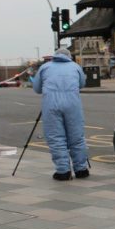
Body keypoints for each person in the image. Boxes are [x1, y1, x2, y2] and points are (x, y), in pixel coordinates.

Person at [32, 47, 89, 181]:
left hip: (51, 105)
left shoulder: (45, 67)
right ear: (69, 56)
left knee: (56, 137)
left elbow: (37, 88)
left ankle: (63, 171)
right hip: (73, 104)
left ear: (55, 56)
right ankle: (81, 169)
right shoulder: (75, 67)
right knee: (77, 137)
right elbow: (82, 84)